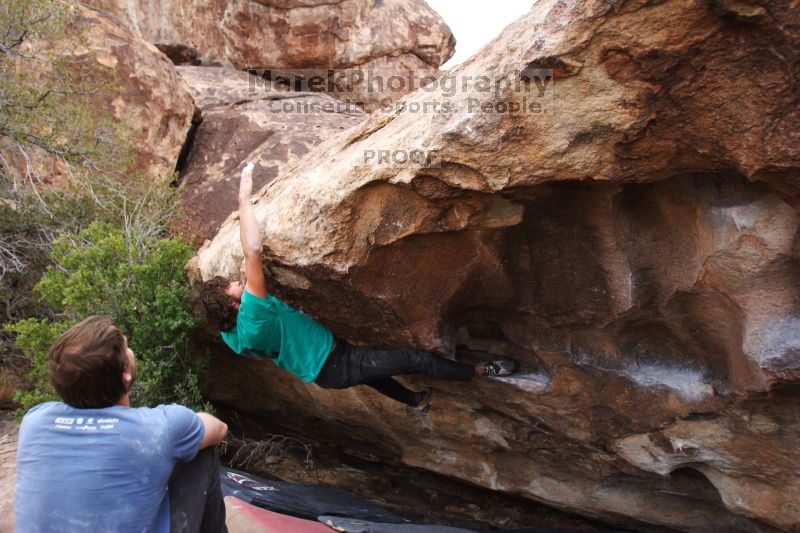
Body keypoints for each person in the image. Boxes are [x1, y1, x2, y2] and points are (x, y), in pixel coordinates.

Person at [196, 163, 517, 413]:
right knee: (410, 359)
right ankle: (477, 370)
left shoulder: (232, 333)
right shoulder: (253, 318)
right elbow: (252, 251)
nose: (237, 283)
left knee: (375, 375)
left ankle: (415, 401)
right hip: (334, 364)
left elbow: (244, 286)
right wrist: (243, 199)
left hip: (327, 363)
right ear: (234, 306)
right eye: (231, 288)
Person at [14, 316, 229, 533]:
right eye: (127, 347)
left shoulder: (34, 420)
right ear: (125, 373)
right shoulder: (158, 428)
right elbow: (219, 429)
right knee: (200, 453)